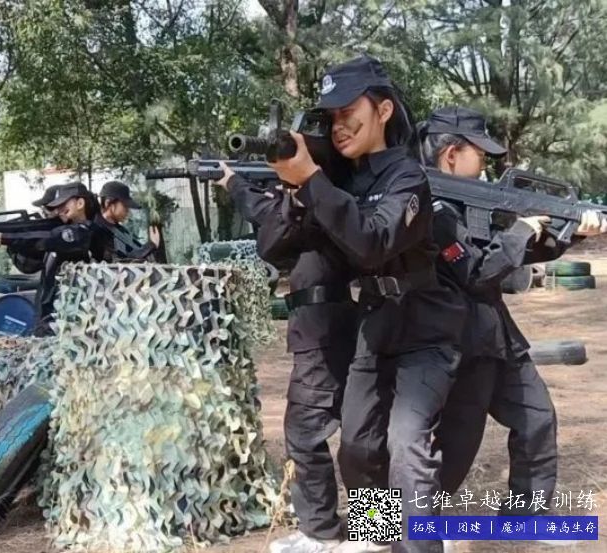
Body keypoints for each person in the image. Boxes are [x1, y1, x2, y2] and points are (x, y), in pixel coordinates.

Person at [247, 55, 466, 553]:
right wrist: (296, 190)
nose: (339, 125)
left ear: (383, 111)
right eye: (331, 117)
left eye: (349, 111)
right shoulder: (338, 181)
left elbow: (372, 241)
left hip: (424, 331)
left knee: (405, 443)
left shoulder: (407, 177)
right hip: (373, 327)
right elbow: (277, 248)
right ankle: (379, 533)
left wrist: (314, 182)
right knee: (359, 446)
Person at [419, 106, 607, 513]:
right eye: (479, 154)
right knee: (444, 447)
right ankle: (381, 526)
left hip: (494, 337)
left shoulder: (470, 204)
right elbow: (476, 271)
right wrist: (521, 231)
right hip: (451, 343)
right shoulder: (430, 209)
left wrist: (571, 231)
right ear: (450, 154)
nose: (485, 164)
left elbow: (513, 254)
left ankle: (526, 513)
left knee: (536, 417)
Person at [217, 144, 358, 551]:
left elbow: (271, 235)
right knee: (362, 436)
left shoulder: (322, 201)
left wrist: (281, 190)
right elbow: (268, 217)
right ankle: (370, 531)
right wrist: (235, 182)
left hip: (324, 331)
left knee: (308, 433)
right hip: (334, 328)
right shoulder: (328, 199)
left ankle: (324, 531)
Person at [0, 181, 99, 335]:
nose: (57, 211)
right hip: (50, 311)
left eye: (60, 206)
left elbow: (50, 238)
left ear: (80, 203)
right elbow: (29, 265)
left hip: (68, 314)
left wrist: (10, 238)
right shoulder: (64, 233)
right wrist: (14, 243)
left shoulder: (83, 231)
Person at [91, 180, 161, 262]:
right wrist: (151, 246)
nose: (128, 211)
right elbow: (118, 261)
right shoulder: (97, 231)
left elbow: (134, 250)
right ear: (108, 203)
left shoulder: (120, 230)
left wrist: (150, 247)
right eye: (125, 206)